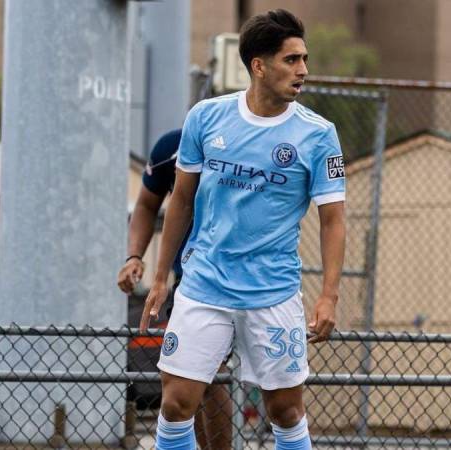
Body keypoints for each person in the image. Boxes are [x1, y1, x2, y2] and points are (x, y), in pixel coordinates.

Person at [139, 9, 346, 450]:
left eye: (304, 59)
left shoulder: (319, 135)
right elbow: (180, 200)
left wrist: (329, 294)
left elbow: (333, 219)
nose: (303, 71)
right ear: (259, 65)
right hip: (204, 285)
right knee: (176, 404)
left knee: (285, 412)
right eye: (291, 60)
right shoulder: (206, 118)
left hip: (272, 291)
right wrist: (159, 276)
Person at [117, 130, 232, 449]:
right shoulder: (170, 147)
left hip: (244, 280)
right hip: (191, 282)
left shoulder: (245, 142)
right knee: (188, 378)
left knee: (218, 377)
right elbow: (145, 205)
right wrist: (134, 257)